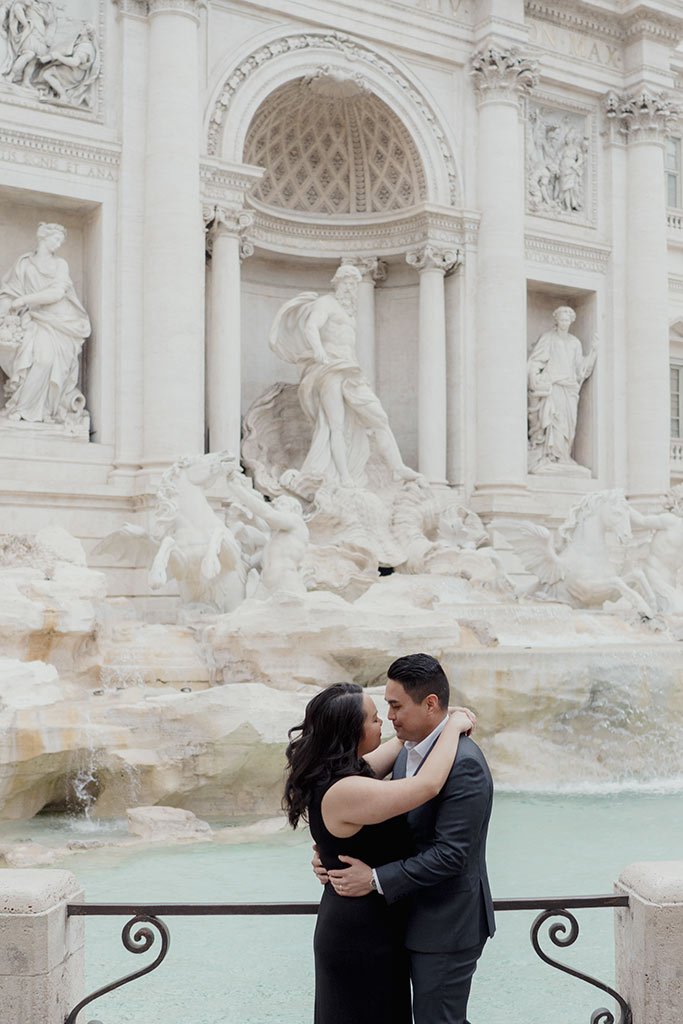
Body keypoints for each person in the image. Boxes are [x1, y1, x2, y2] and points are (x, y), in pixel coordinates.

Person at [315, 654, 495, 1024]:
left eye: (395, 706)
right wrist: (332, 852)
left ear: (430, 703)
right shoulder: (404, 752)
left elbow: (451, 855)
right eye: (381, 711)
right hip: (393, 924)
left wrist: (374, 879)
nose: (389, 717)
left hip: (444, 926)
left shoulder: (464, 765)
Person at [269, 264, 419, 488]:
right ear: (337, 282)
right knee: (335, 425)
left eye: (354, 284)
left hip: (351, 370)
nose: (351, 288)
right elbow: (311, 326)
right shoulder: (326, 303)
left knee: (379, 417)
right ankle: (343, 477)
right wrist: (318, 349)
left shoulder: (350, 314)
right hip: (329, 368)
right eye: (348, 283)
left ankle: (397, 468)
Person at [0, 222, 90, 424]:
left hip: (58, 323)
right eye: (56, 239)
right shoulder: (24, 263)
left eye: (61, 241)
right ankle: (20, 408)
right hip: (31, 320)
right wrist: (8, 308)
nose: (58, 244)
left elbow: (57, 293)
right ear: (43, 237)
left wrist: (24, 300)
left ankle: (39, 410)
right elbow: (8, 292)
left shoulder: (60, 265)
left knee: (46, 361)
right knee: (37, 360)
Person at [527, 305, 597, 473]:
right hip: (554, 385)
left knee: (569, 425)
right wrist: (534, 378)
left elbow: (581, 369)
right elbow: (536, 361)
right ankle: (551, 456)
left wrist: (594, 351)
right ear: (556, 320)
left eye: (567, 320)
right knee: (554, 422)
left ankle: (564, 456)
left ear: (571, 321)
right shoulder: (548, 338)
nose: (564, 323)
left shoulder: (575, 342)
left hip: (570, 388)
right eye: (562, 319)